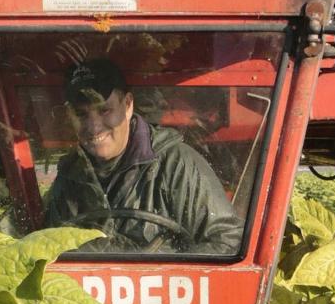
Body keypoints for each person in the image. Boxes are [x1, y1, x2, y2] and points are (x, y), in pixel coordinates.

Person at [43, 58, 244, 254]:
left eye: (104, 110)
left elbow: (228, 241)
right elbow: (49, 250)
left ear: (128, 105)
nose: (94, 127)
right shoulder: (69, 177)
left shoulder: (176, 165)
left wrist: (165, 270)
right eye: (81, 114)